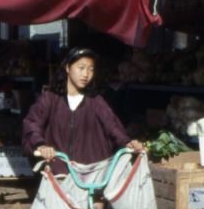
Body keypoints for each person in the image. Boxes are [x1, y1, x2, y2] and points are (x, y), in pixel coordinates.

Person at [22, 47, 143, 176]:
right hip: (57, 173)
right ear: (68, 68)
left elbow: (113, 126)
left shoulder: (96, 101)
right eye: (81, 68)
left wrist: (127, 142)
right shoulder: (49, 99)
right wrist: (40, 145)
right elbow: (32, 124)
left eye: (91, 69)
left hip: (90, 174)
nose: (86, 74)